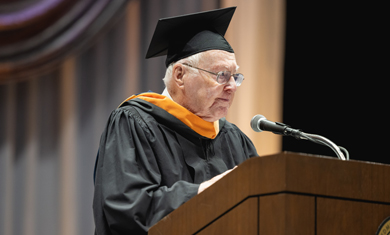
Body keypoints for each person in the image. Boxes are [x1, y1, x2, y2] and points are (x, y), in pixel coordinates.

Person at [93, 7, 258, 235]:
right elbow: (127, 210)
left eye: (235, 77)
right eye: (221, 75)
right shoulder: (134, 124)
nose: (231, 86)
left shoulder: (235, 140)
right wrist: (205, 192)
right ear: (180, 75)